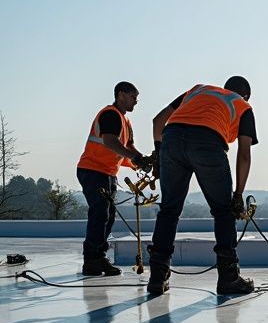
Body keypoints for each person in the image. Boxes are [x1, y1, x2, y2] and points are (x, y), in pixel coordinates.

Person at [147, 76, 257, 296]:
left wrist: (159, 154)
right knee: (223, 212)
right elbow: (244, 154)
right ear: (245, 95)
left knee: (169, 210)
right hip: (207, 142)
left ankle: (157, 279)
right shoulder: (243, 106)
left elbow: (158, 121)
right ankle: (228, 278)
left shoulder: (198, 90)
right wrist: (238, 195)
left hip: (172, 138)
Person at [76, 81, 148, 276]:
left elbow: (129, 148)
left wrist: (143, 161)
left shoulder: (126, 122)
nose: (136, 101)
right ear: (121, 95)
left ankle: (97, 257)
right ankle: (92, 260)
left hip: (107, 172)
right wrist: (135, 158)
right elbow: (110, 142)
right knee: (100, 213)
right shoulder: (110, 115)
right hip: (93, 170)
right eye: (133, 97)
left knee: (107, 217)